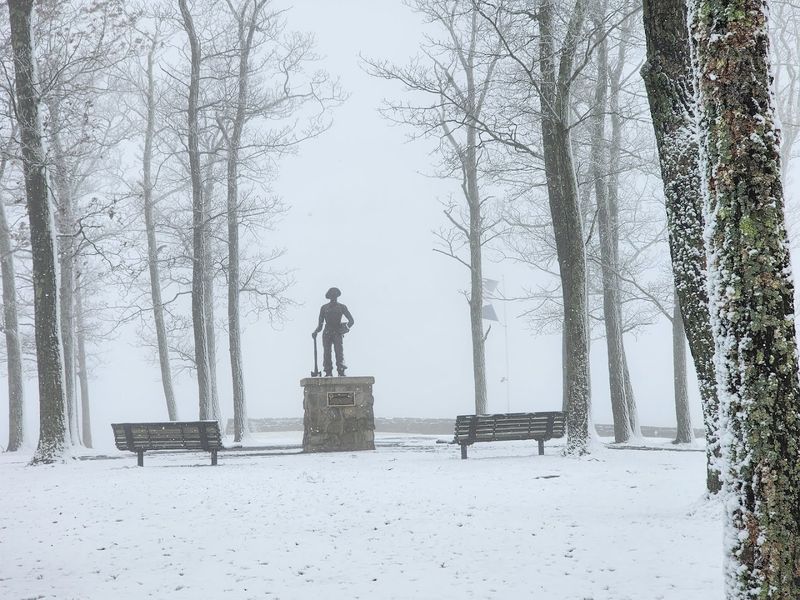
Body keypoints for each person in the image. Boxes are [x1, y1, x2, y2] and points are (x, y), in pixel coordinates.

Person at [312, 287, 355, 376]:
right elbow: (320, 324)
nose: (333, 296)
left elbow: (351, 321)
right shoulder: (324, 308)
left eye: (335, 295)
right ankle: (328, 372)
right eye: (332, 295)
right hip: (327, 332)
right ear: (329, 296)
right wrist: (316, 331)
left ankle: (341, 370)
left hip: (337, 332)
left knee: (339, 352)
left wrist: (344, 329)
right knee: (327, 352)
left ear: (337, 296)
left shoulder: (342, 307)